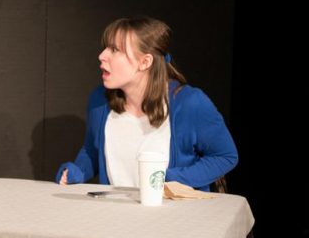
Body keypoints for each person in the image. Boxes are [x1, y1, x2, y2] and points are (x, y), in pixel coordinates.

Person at [56, 16, 238, 190]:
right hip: (117, 215)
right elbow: (92, 151)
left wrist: (169, 180)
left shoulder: (189, 103)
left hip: (175, 216)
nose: (102, 55)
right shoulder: (100, 101)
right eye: (105, 48)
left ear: (144, 62)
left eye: (114, 50)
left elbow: (225, 156)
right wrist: (78, 171)